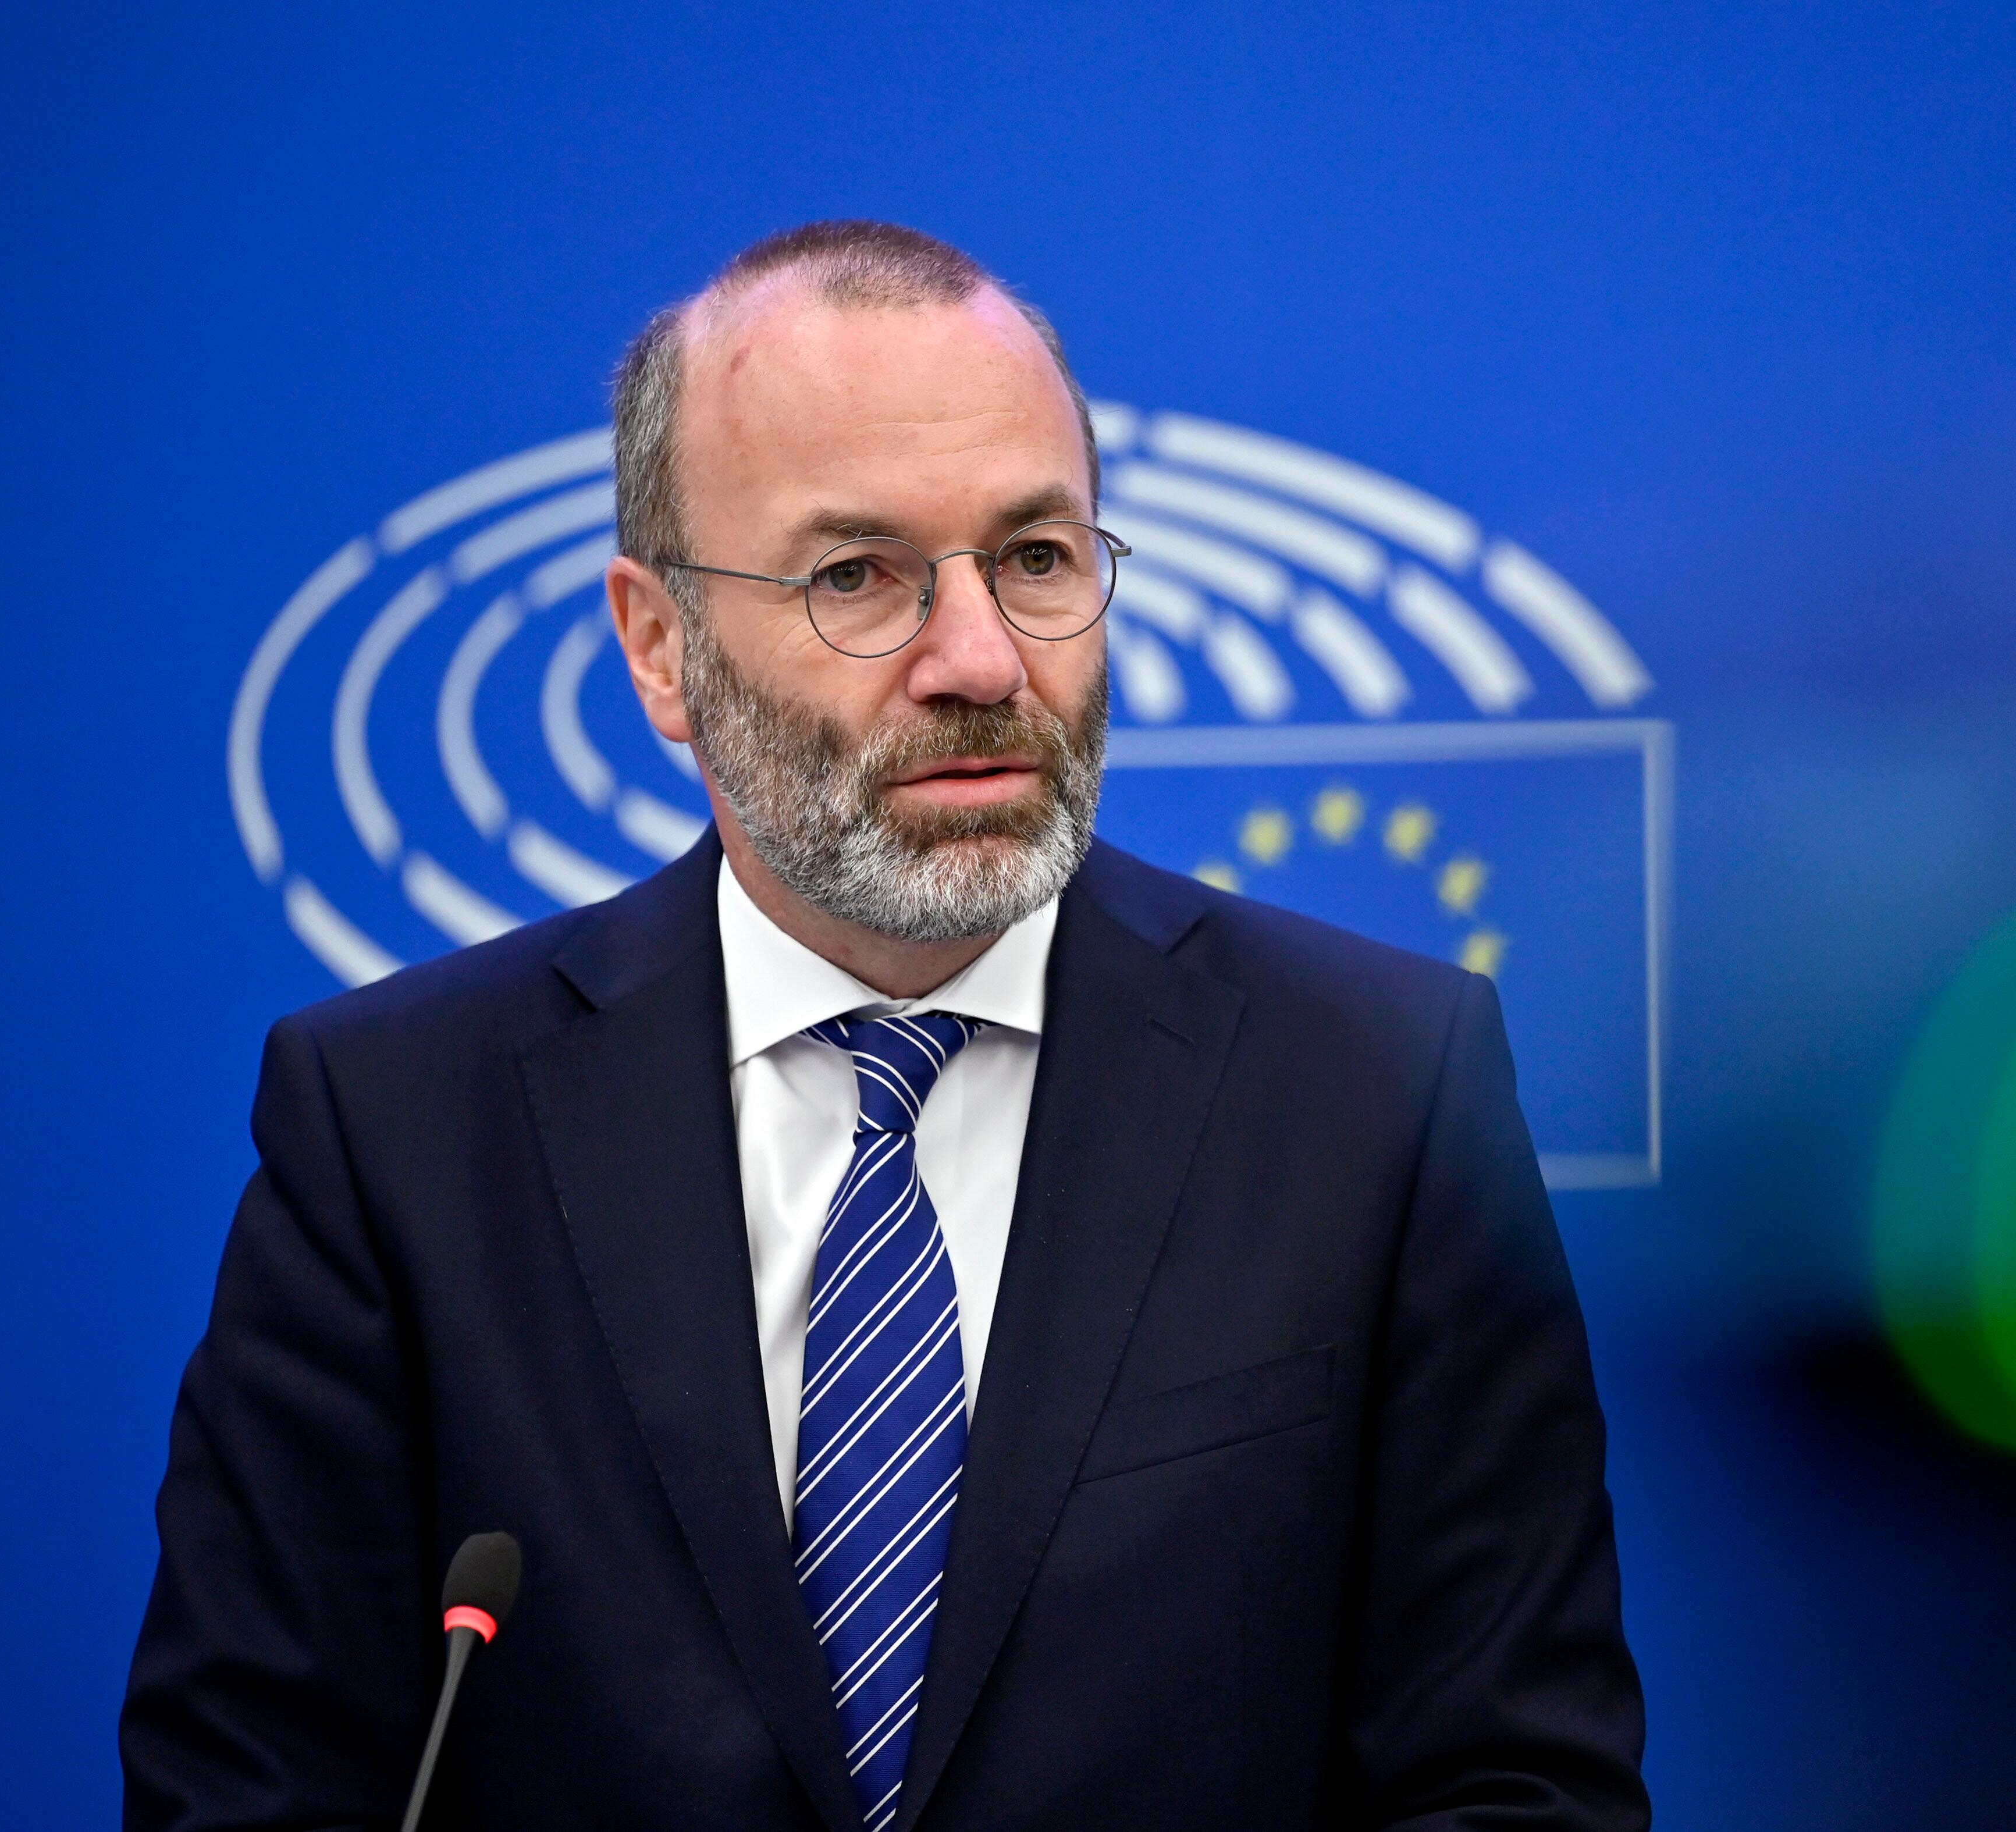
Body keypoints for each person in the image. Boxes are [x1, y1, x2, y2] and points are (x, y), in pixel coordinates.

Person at [123, 220, 1647, 1832]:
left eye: (1038, 558)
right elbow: (250, 1784)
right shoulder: (396, 1126)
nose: (980, 658)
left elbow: (1513, 1783)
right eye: (857, 576)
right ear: (658, 646)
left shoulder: (1376, 1089)